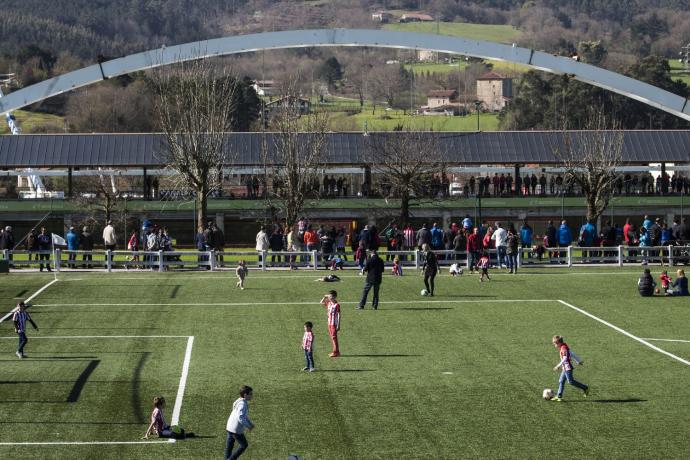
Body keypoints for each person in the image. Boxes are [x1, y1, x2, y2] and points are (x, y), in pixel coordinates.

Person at [551, 335, 589, 402]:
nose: (554, 345)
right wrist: (578, 361)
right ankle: (559, 396)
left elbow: (565, 358)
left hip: (567, 368)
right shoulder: (563, 347)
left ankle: (585, 388)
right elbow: (572, 353)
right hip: (564, 368)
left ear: (558, 343)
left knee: (571, 382)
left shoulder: (564, 348)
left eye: (554, 343)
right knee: (561, 381)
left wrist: (558, 366)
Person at [225, 385, 255, 460]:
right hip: (235, 429)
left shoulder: (239, 400)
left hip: (229, 427)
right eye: (250, 394)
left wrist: (250, 423)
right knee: (244, 445)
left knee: (229, 446)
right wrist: (249, 426)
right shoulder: (242, 404)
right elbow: (241, 417)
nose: (252, 396)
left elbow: (243, 416)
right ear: (245, 395)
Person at [321, 290, 341, 357]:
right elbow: (321, 302)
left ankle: (335, 352)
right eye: (329, 296)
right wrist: (324, 297)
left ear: (335, 297)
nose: (330, 297)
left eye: (331, 296)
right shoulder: (329, 303)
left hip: (334, 324)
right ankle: (336, 351)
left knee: (334, 337)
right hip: (329, 323)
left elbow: (339, 315)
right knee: (333, 338)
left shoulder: (337, 305)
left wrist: (338, 325)